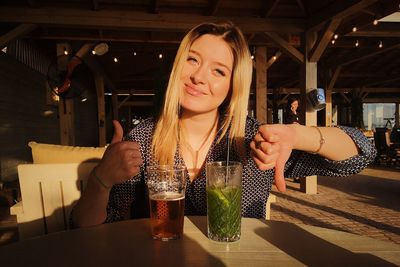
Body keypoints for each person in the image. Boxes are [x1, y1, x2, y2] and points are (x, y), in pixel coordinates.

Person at [71, 21, 376, 227]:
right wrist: (101, 179)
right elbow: (88, 228)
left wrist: (298, 135)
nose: (199, 76)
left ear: (233, 85)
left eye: (218, 71)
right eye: (192, 60)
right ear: (178, 67)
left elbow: (362, 153)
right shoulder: (142, 138)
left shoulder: (255, 139)